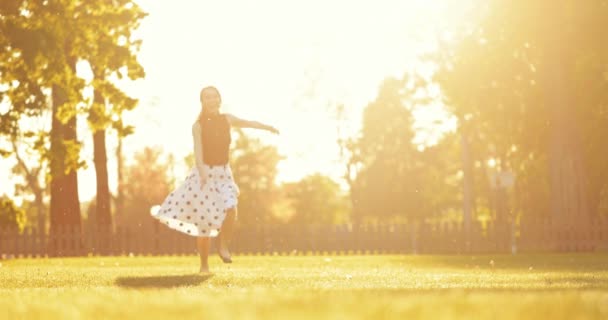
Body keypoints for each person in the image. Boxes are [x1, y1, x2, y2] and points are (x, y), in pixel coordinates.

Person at [152, 86, 279, 273]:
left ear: (219, 99)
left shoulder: (227, 119)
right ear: (202, 102)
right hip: (204, 175)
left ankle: (223, 245)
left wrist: (267, 127)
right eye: (207, 97)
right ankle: (204, 266)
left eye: (214, 96)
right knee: (203, 223)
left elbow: (248, 122)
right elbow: (198, 151)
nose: (211, 100)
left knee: (231, 207)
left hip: (224, 174)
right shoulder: (198, 126)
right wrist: (203, 173)